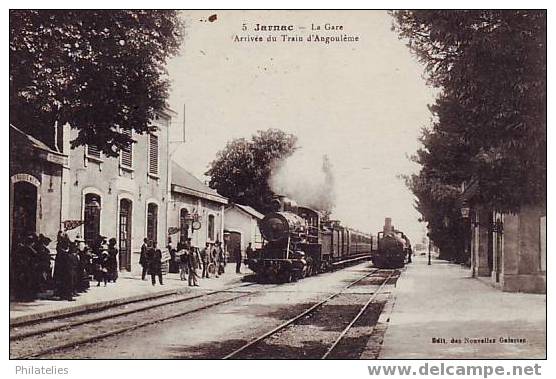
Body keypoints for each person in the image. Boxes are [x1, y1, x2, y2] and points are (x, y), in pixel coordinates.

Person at [53, 234, 76, 300]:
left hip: (62, 270)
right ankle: (67, 296)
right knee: (68, 283)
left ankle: (63, 295)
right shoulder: (64, 254)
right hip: (65, 270)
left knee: (64, 282)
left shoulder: (61, 253)